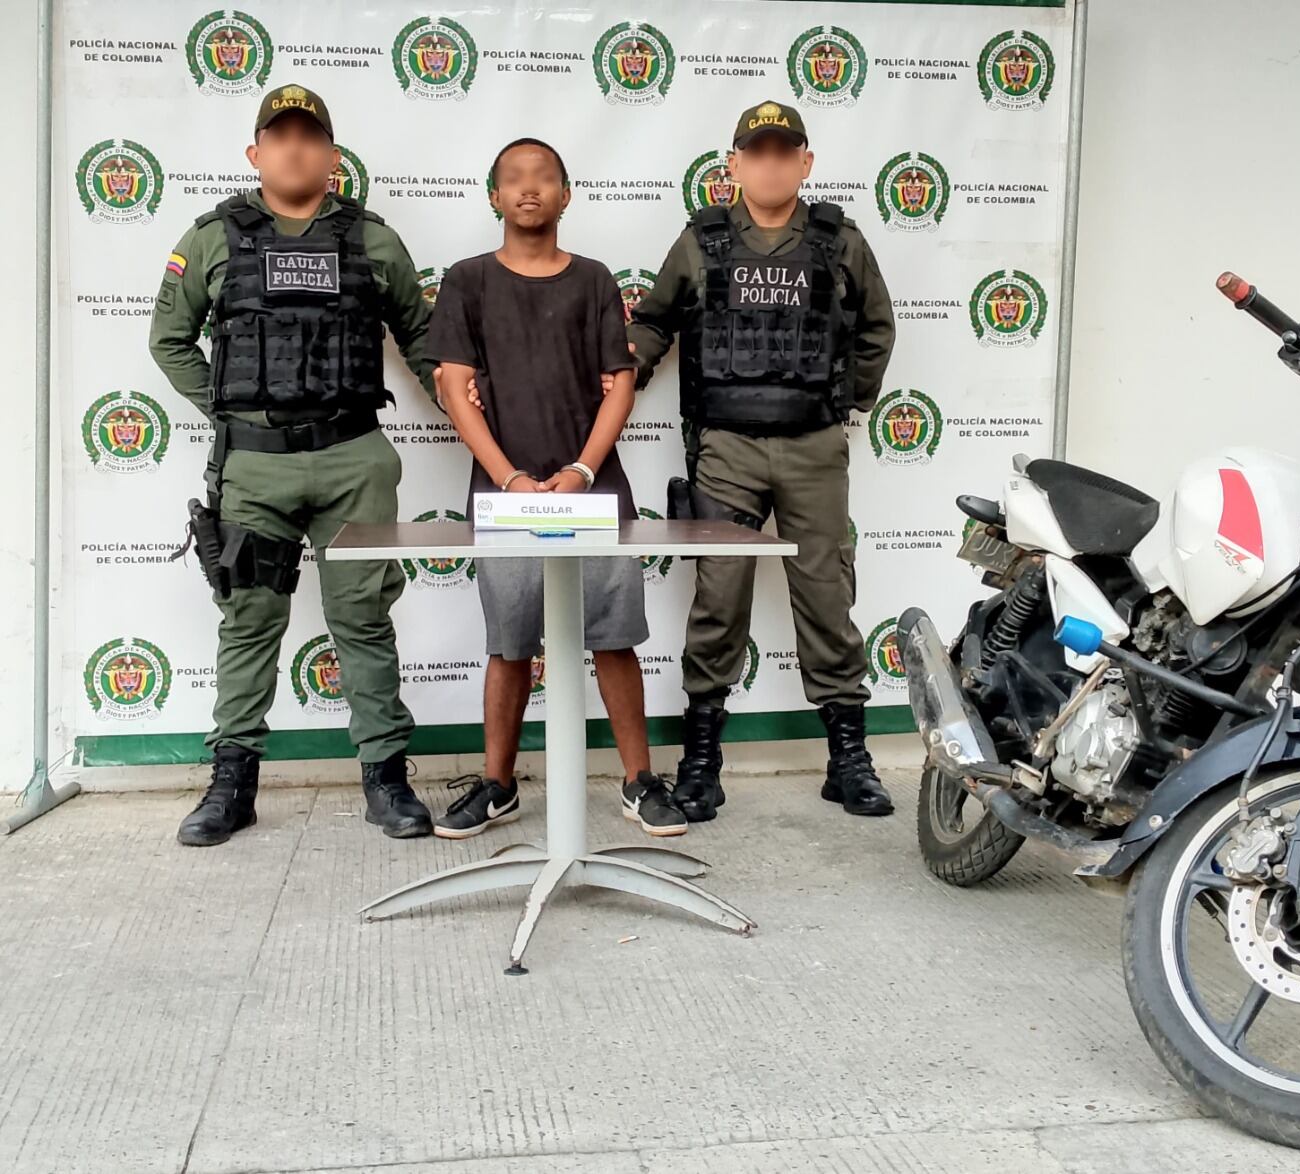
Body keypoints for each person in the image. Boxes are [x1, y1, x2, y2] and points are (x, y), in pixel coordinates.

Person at [150, 84, 436, 846]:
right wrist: (227, 408)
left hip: (354, 460)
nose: (296, 148)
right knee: (249, 621)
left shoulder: (373, 240)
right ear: (256, 154)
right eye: (280, 137)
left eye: (310, 137)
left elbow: (422, 337)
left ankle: (386, 779)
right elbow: (169, 340)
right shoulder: (214, 236)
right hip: (255, 467)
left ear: (334, 158)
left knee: (363, 621)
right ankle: (231, 785)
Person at [626, 100, 897, 821]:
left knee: (827, 598)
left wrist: (849, 405)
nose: (771, 163)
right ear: (734, 165)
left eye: (786, 151)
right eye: (758, 151)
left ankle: (849, 761)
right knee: (718, 601)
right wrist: (625, 369)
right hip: (728, 448)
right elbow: (654, 319)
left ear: (806, 163)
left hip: (813, 445)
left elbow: (876, 325)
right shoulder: (703, 240)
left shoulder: (840, 242)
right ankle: (702, 762)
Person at [427, 137, 683, 839]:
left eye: (544, 178)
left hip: (594, 490)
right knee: (509, 643)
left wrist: (582, 470)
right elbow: (453, 385)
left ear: (567, 195)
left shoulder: (595, 279)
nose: (529, 188)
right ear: (494, 198)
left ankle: (638, 780)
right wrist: (508, 478)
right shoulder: (468, 280)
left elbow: (620, 381)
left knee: (614, 637)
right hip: (502, 491)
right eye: (513, 178)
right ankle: (498, 784)